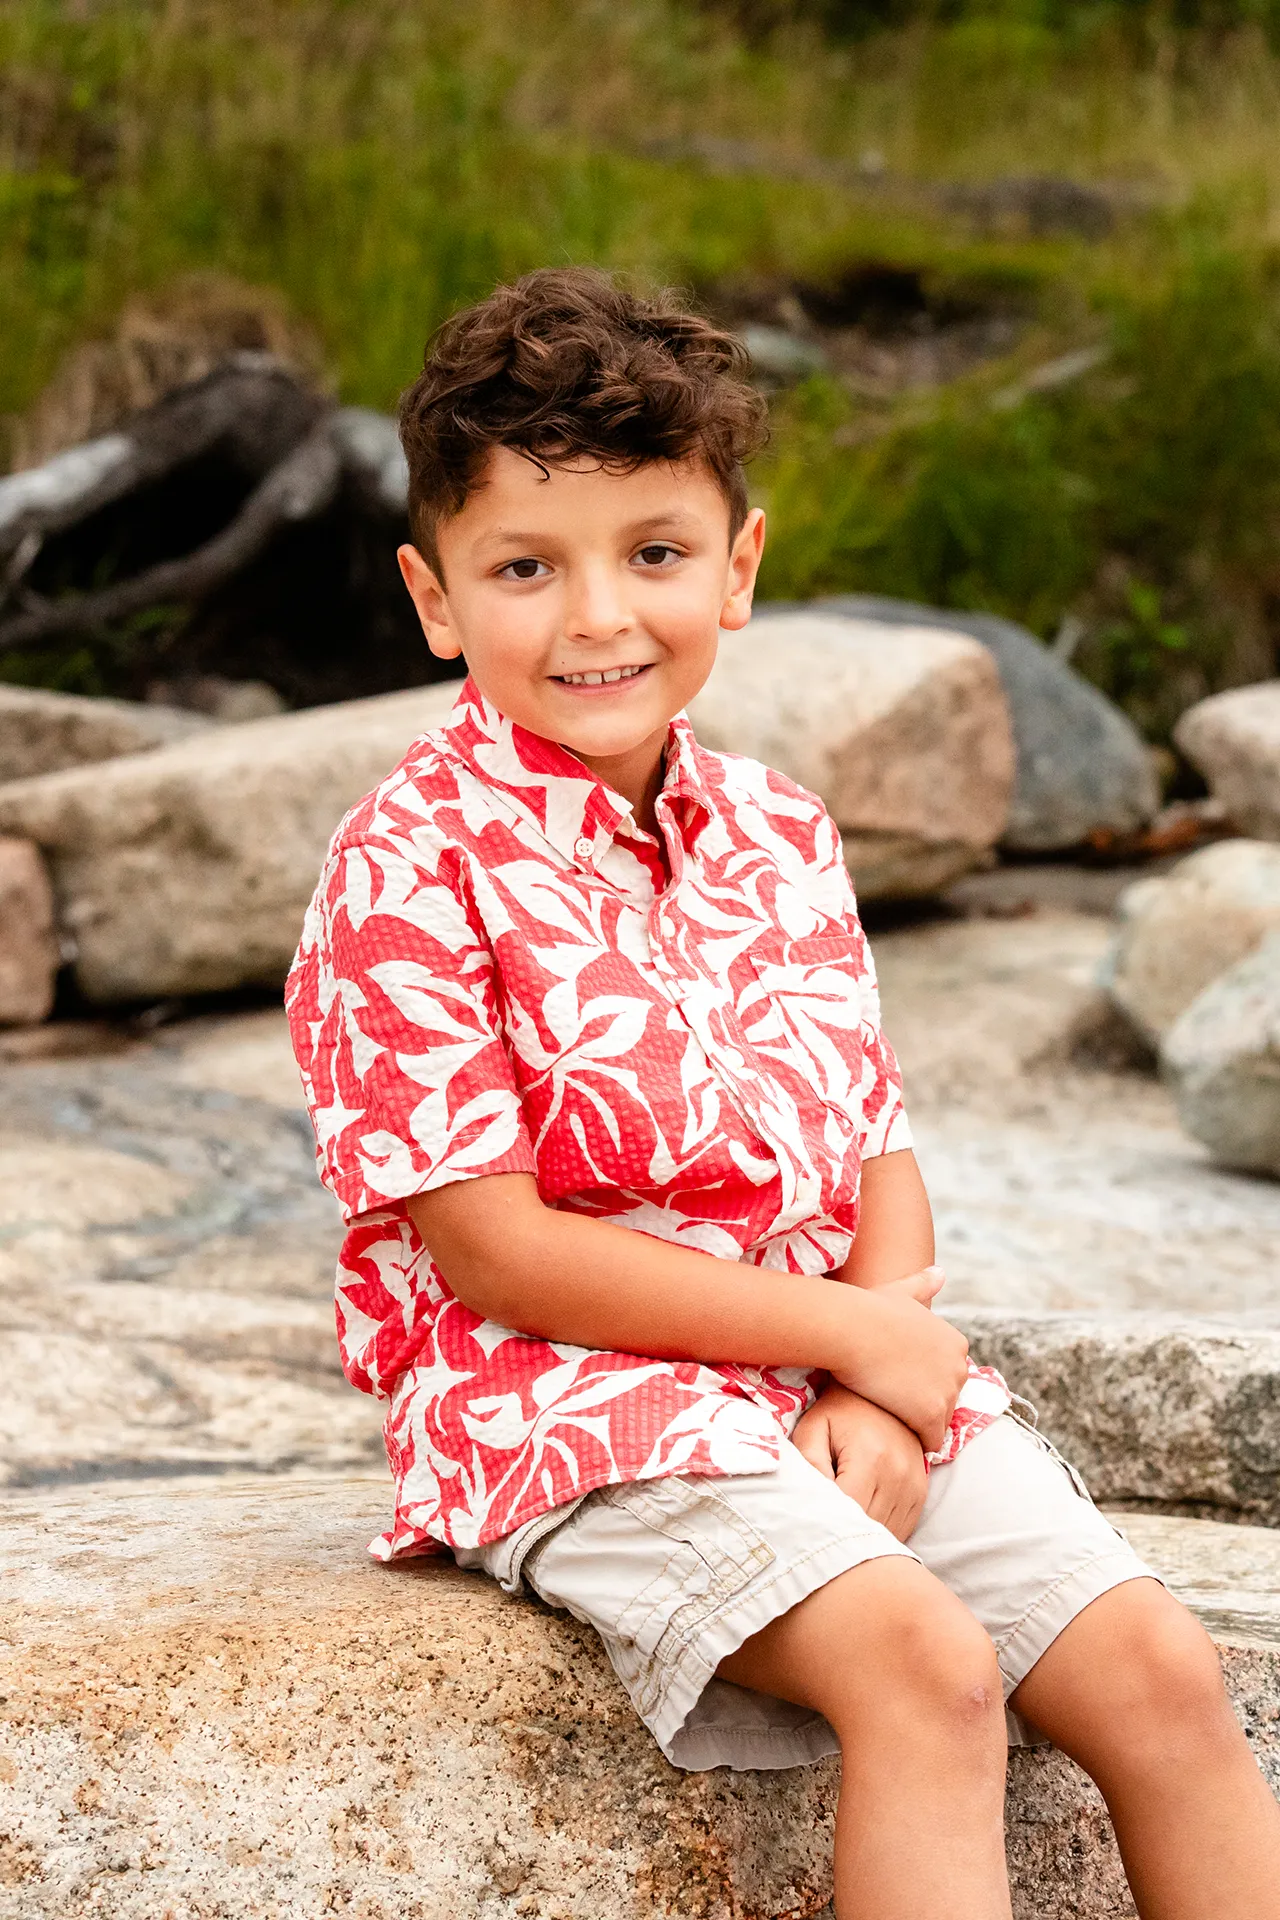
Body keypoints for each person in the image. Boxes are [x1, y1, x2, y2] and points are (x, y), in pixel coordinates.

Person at [286, 266, 1280, 1918]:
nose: (598, 616)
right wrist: (861, 1344)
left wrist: (881, 1387)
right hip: (572, 1401)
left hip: (838, 1375)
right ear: (435, 595)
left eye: (654, 554)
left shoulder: (778, 833)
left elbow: (868, 1146)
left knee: (1164, 1675)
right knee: (929, 1670)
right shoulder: (405, 869)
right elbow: (494, 1254)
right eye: (527, 567)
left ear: (738, 568)